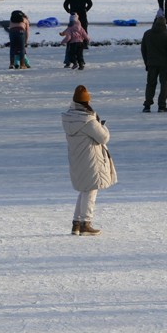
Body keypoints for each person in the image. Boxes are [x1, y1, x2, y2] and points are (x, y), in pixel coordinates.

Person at [62, 85, 117, 236]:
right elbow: (104, 137)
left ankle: (76, 224)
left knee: (84, 189)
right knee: (91, 190)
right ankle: (85, 223)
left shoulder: (69, 118)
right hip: (91, 159)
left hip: (77, 158)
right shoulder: (88, 120)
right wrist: (102, 125)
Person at [140, 15, 167, 113]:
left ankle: (147, 105)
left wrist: (146, 62)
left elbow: (143, 49)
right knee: (164, 85)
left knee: (150, 84)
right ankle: (162, 105)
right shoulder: (166, 35)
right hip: (164, 65)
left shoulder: (147, 34)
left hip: (151, 64)